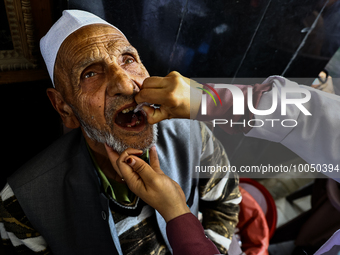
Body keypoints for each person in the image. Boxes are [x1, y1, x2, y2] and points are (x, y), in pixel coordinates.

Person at [0, 10, 240, 255]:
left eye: (128, 59)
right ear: (64, 108)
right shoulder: (21, 204)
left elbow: (226, 202)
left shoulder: (192, 132)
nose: (126, 84)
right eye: (90, 74)